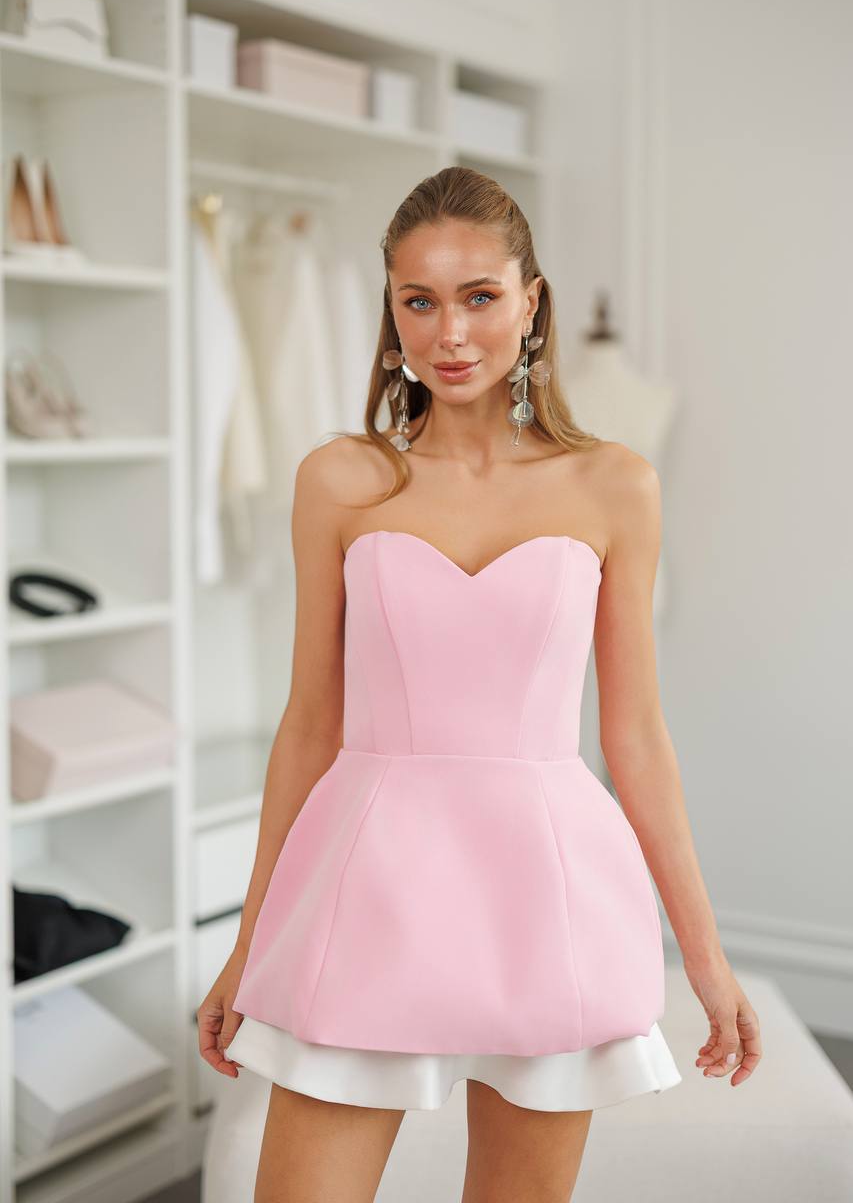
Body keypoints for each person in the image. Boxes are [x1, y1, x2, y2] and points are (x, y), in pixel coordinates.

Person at [197, 165, 762, 1202]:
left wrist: (706, 959)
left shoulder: (613, 484)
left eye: (478, 296)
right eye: (418, 300)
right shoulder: (341, 478)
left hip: (544, 888)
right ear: (392, 310)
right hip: (366, 886)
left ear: (530, 301)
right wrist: (251, 944)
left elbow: (634, 735)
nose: (448, 332)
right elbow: (310, 724)